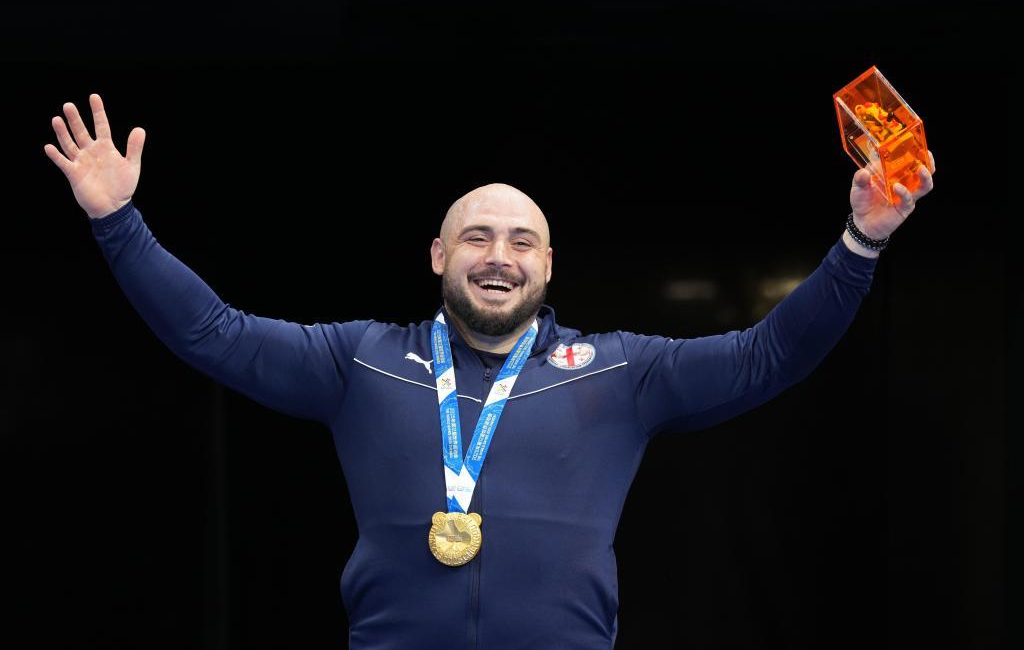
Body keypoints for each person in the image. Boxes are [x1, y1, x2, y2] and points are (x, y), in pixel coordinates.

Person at [44, 94, 934, 649]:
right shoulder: (361, 361)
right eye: (476, 237)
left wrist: (862, 242)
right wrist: (119, 222)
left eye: (520, 241)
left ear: (548, 265)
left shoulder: (619, 370)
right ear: (439, 255)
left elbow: (769, 354)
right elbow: (214, 334)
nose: (498, 256)